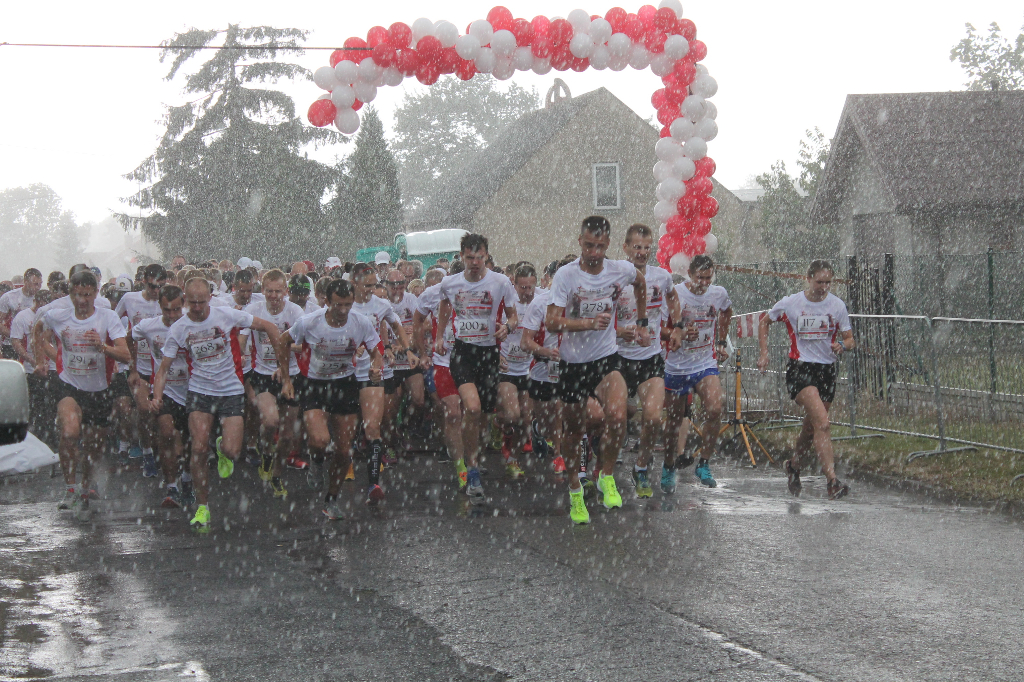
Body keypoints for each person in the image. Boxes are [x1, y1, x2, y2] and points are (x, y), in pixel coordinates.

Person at [150, 277, 293, 531]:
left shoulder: (226, 315)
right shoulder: (179, 328)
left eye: (202, 302)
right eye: (192, 303)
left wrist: (283, 368)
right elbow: (163, 369)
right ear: (185, 300)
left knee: (232, 452)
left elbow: (271, 327)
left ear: (210, 298)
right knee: (198, 449)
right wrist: (157, 396)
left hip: (230, 391)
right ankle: (203, 507)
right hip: (199, 391)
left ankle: (222, 446)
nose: (197, 307)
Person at [545, 216, 648, 525]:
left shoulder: (622, 270)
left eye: (600, 247)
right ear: (580, 242)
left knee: (619, 415)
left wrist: (641, 322)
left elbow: (641, 284)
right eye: (589, 246)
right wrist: (587, 323)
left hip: (605, 358)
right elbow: (552, 322)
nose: (594, 253)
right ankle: (576, 492)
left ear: (608, 245)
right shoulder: (566, 276)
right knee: (575, 431)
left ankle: (605, 475)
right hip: (573, 364)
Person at [33, 270, 131, 522]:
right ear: (71, 294)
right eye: (78, 295)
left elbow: (125, 354)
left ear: (96, 293)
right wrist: (42, 359)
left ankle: (85, 486)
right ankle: (70, 489)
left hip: (99, 389)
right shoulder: (57, 316)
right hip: (69, 385)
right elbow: (38, 330)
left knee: (93, 447)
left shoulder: (107, 317)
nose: (83, 301)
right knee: (69, 432)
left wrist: (102, 347)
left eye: (88, 295)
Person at [282, 278, 384, 520]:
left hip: (344, 385)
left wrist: (375, 368)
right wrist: (287, 379)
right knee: (319, 439)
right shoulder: (309, 322)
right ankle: (316, 460)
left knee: (343, 451)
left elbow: (376, 352)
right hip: (314, 384)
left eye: (348, 305)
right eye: (338, 305)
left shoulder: (360, 322)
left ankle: (332, 500)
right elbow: (282, 340)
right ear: (326, 301)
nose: (343, 311)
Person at [758, 260, 854, 500]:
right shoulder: (792, 303)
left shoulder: (837, 305)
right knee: (822, 422)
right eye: (819, 282)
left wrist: (842, 345)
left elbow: (850, 339)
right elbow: (764, 322)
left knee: (811, 426)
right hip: (800, 369)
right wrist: (764, 353)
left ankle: (794, 464)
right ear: (808, 279)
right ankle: (832, 481)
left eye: (828, 282)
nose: (823, 287)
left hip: (827, 370)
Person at [435, 234, 519, 502]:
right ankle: (471, 471)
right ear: (461, 257)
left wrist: (508, 327)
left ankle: (473, 457)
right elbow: (445, 306)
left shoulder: (500, 282)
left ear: (486, 256)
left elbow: (514, 316)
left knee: (482, 417)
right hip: (463, 354)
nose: (474, 262)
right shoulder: (450, 283)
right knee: (470, 407)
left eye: (479, 257)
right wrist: (439, 335)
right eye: (469, 257)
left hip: (489, 354)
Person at [614, 225, 678, 498]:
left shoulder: (661, 277)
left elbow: (674, 299)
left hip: (649, 357)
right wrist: (620, 331)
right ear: (625, 248)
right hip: (616, 357)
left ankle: (641, 467)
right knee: (617, 417)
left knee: (653, 418)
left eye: (647, 247)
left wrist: (679, 326)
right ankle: (600, 463)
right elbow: (600, 317)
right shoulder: (615, 276)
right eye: (636, 247)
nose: (642, 252)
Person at [661, 254, 732, 492]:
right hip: (677, 365)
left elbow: (726, 311)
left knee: (714, 408)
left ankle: (704, 463)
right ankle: (669, 465)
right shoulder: (676, 294)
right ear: (689, 275)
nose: (703, 283)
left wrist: (721, 340)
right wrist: (677, 333)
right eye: (699, 278)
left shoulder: (718, 293)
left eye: (708, 278)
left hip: (704, 362)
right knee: (673, 421)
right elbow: (660, 326)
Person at [242, 269, 305, 499]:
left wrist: (283, 355)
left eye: (279, 291)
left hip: (292, 375)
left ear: (286, 291)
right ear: (262, 291)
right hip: (263, 374)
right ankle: (267, 453)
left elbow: (302, 344)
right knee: (270, 422)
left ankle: (277, 474)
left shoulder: (295, 311)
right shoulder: (254, 310)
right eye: (269, 291)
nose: (274, 296)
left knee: (287, 436)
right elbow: (242, 338)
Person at [349, 264, 414, 485]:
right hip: (348, 372)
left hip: (374, 370)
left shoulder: (382, 304)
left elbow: (396, 325)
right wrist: (352, 348)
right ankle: (346, 460)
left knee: (374, 424)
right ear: (353, 283)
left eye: (374, 284)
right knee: (348, 423)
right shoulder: (343, 304)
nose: (371, 289)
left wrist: (407, 349)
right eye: (367, 285)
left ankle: (374, 479)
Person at [132, 284, 192, 508]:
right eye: (167, 310)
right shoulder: (148, 327)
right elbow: (129, 337)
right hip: (165, 389)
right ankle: (171, 488)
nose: (172, 315)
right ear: (160, 307)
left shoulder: (192, 325)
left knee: (189, 442)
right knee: (166, 433)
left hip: (192, 390)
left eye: (176, 310)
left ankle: (186, 479)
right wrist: (133, 369)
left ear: (183, 305)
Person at [413, 265, 465, 482]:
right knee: (451, 410)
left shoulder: (476, 289)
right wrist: (423, 353)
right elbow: (417, 321)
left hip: (470, 358)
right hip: (443, 359)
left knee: (474, 413)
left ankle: (469, 457)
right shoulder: (429, 296)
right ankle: (461, 468)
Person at [117, 264, 166, 478]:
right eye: (152, 286)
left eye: (160, 286)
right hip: (141, 367)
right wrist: (129, 366)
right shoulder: (129, 299)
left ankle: (160, 454)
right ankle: (147, 455)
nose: (156, 291)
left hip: (164, 369)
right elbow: (114, 323)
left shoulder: (169, 301)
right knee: (145, 412)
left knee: (160, 418)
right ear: (143, 281)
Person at [495, 264, 538, 479]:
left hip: (527, 367)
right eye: (523, 287)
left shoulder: (540, 301)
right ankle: (502, 425)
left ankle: (513, 458)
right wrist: (496, 353)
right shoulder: (506, 304)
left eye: (531, 287)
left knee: (526, 420)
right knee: (512, 414)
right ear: (515, 284)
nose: (527, 292)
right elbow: (489, 328)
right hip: (506, 367)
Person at [383, 269, 428, 447]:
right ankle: (394, 437)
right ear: (387, 286)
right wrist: (390, 346)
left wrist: (411, 338)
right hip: (391, 361)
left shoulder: (411, 300)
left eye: (401, 287)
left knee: (419, 400)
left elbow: (423, 323)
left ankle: (409, 426)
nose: (398, 291)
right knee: (391, 408)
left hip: (410, 357)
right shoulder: (382, 303)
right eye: (394, 288)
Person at [10, 288, 55, 446]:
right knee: (36, 405)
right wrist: (31, 359)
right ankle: (37, 436)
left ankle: (50, 437)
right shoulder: (22, 316)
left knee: (51, 403)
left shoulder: (51, 316)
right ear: (37, 301)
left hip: (53, 368)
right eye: (42, 304)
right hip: (31, 369)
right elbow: (15, 341)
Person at [0, 268, 43, 359]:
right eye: (35, 284)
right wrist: (14, 335)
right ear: (26, 282)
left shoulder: (41, 298)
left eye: (40, 284)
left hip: (32, 344)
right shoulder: (9, 297)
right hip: (10, 344)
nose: (38, 287)